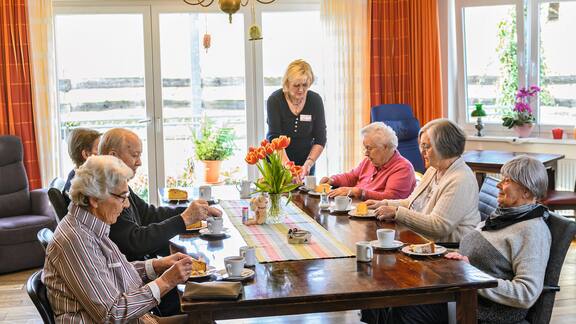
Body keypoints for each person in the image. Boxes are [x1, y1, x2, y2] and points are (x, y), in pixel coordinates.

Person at [362, 155, 552, 324]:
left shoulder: (532, 231)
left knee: (403, 307)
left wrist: (470, 276)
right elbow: (478, 259)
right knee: (385, 290)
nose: (498, 185)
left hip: (483, 308)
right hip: (460, 289)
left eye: (507, 180)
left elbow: (526, 293)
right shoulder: (504, 216)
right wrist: (455, 260)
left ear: (527, 192)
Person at [43, 155, 197, 323]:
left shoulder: (90, 226)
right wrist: (167, 281)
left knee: (200, 318)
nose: (126, 205)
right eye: (122, 197)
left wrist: (157, 265)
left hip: (141, 320)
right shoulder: (75, 240)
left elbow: (112, 272)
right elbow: (112, 315)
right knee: (203, 317)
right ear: (95, 199)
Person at [100, 128, 222, 316]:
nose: (139, 162)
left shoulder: (118, 185)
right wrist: (184, 219)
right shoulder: (106, 196)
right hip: (133, 290)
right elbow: (136, 242)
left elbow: (149, 214)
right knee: (206, 295)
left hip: (135, 274)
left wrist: (191, 212)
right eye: (135, 155)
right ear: (113, 156)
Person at [367, 119, 480, 243]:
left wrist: (397, 213)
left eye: (426, 146)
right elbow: (413, 203)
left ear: (443, 147)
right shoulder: (434, 169)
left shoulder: (460, 180)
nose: (422, 152)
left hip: (447, 250)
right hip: (423, 241)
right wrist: (384, 204)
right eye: (422, 146)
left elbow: (438, 226)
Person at [319, 122, 416, 200]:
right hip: (357, 209)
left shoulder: (403, 168)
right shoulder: (369, 161)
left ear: (385, 147)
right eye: (365, 148)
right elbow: (351, 177)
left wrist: (359, 192)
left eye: (369, 148)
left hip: (378, 220)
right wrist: (332, 180)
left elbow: (391, 198)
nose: (366, 153)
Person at [266, 59, 327, 177]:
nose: (301, 89)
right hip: (279, 161)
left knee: (305, 195)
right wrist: (288, 166)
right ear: (287, 83)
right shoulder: (275, 100)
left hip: (306, 163)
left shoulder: (315, 101)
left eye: (305, 85)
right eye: (296, 85)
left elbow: (320, 138)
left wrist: (309, 163)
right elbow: (274, 137)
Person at [62, 127, 101, 196]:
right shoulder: (83, 185)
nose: (102, 153)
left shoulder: (77, 175)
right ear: (86, 154)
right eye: (98, 149)